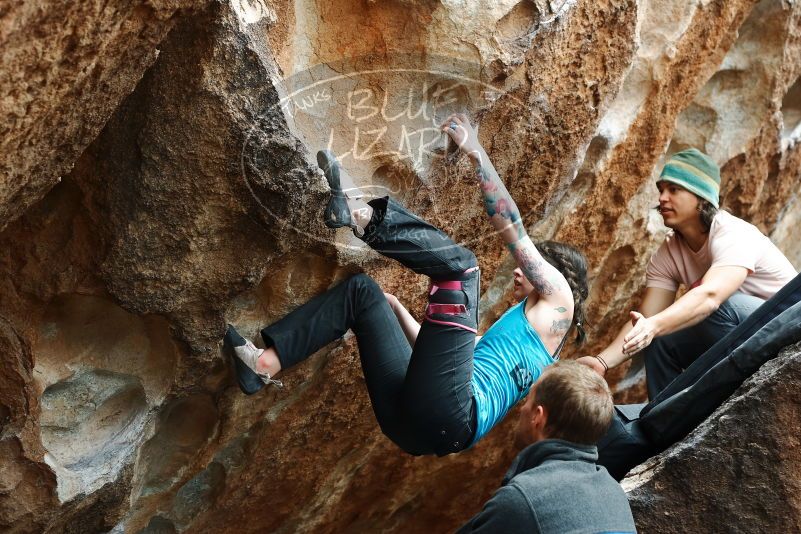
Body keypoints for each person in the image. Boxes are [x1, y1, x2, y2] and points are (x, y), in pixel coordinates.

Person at [224, 113, 589, 456]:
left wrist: (477, 154)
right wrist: (397, 310)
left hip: (451, 414)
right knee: (363, 294)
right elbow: (445, 357)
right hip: (417, 428)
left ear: (552, 274)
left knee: (463, 269)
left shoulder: (560, 298)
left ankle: (360, 214)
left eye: (530, 268)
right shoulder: (527, 345)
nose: (518, 272)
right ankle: (264, 366)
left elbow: (511, 226)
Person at [577, 148, 797, 398]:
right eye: (661, 190)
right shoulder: (669, 253)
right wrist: (602, 362)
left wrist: (654, 325)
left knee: (718, 304)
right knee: (658, 339)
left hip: (789, 329)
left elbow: (711, 296)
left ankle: (723, 397)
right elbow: (647, 316)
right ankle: (663, 421)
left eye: (674, 190)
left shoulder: (733, 233)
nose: (662, 198)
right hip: (744, 333)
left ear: (702, 198)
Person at [457, 361, 636, 533]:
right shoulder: (614, 495)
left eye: (528, 399)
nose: (521, 409)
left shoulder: (522, 499)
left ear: (538, 416)